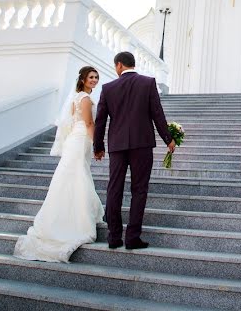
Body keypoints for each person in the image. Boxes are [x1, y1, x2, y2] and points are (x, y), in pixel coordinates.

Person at [13, 66, 104, 262]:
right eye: (91, 77)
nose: (94, 80)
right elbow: (89, 124)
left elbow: (72, 122)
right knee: (78, 176)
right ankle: (76, 221)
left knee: (70, 176)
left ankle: (60, 217)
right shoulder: (86, 99)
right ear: (83, 79)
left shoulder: (76, 97)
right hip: (80, 140)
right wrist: (97, 145)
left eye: (96, 77)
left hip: (74, 139)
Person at [94, 51, 175, 250]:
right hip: (142, 144)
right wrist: (168, 139)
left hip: (117, 146)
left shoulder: (108, 88)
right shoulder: (148, 83)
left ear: (119, 65)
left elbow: (100, 121)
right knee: (139, 190)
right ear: (132, 64)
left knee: (114, 189)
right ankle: (132, 238)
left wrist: (98, 146)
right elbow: (157, 113)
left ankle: (114, 238)